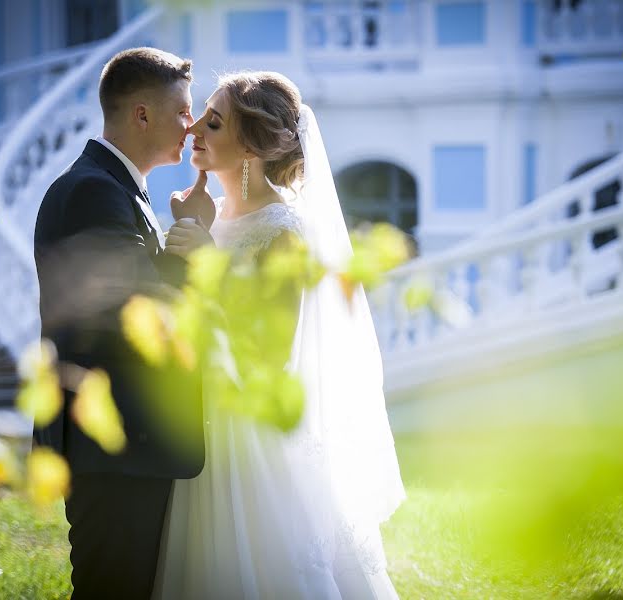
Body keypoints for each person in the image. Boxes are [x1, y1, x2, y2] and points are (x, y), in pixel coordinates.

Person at [153, 71, 405, 599]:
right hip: (200, 428)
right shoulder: (214, 217)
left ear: (250, 146)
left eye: (213, 121)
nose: (193, 126)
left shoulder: (284, 233)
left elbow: (270, 356)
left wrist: (205, 261)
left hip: (249, 444)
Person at [33, 47, 205, 599]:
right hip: (113, 450)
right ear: (141, 115)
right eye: (183, 111)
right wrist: (192, 248)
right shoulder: (93, 191)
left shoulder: (117, 188)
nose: (192, 124)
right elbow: (136, 315)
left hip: (124, 446)